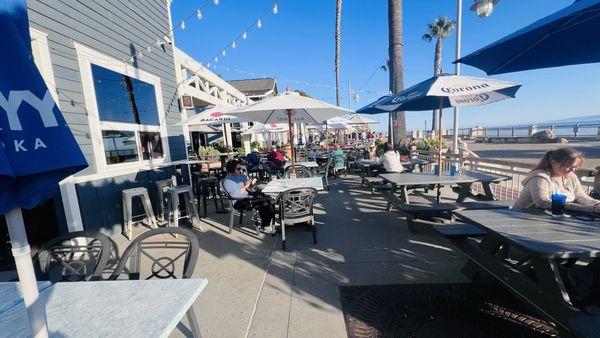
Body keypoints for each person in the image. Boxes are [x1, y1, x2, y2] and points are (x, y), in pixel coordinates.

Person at [513, 147, 600, 212]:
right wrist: (588, 209)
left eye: (576, 167)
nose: (573, 170)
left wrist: (596, 204)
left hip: (552, 218)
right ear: (554, 163)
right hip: (523, 217)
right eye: (569, 166)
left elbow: (581, 196)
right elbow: (543, 203)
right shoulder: (540, 177)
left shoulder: (570, 176)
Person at [222, 160, 274, 230]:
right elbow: (235, 195)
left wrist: (251, 183)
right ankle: (266, 225)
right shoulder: (228, 181)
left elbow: (248, 186)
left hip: (249, 196)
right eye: (238, 169)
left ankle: (270, 221)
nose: (240, 170)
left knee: (268, 198)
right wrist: (246, 186)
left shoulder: (239, 176)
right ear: (231, 169)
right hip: (239, 201)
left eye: (240, 168)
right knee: (263, 202)